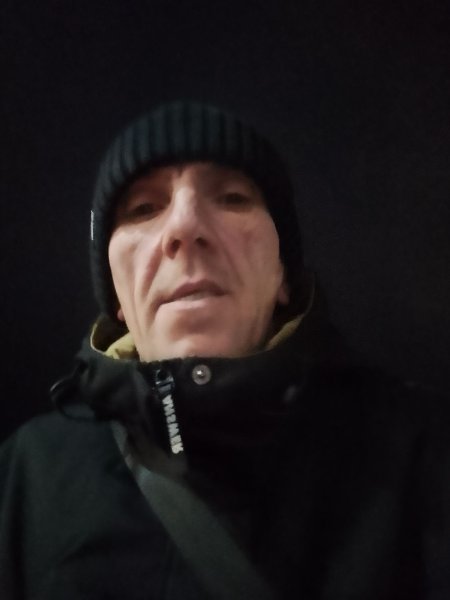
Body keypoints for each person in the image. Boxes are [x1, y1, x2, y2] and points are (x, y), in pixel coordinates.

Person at [1, 100, 449, 600]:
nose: (184, 226)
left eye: (233, 198)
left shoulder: (421, 451)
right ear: (117, 297)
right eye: (143, 209)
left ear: (282, 272)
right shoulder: (28, 476)